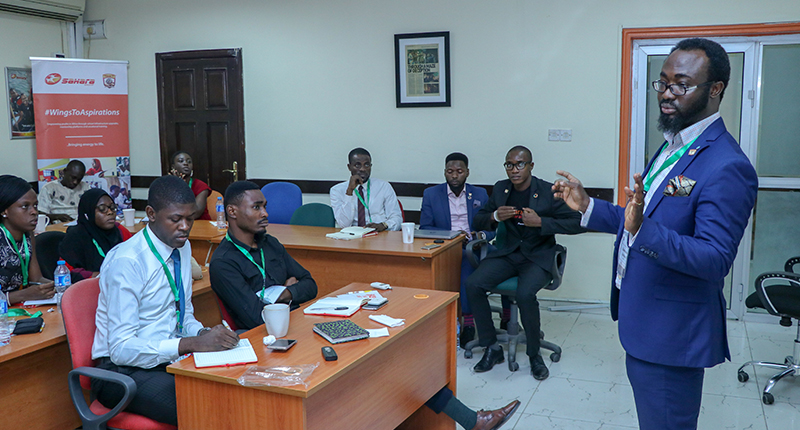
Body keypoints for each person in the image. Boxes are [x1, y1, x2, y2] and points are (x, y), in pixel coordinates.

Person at [552, 38, 758, 430]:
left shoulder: (726, 165)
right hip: (645, 320)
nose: (666, 93)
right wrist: (588, 206)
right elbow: (642, 219)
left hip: (672, 334)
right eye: (662, 82)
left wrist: (643, 229)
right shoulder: (674, 147)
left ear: (715, 90)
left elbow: (714, 259)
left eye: (681, 84)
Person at [91, 175, 239, 426]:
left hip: (165, 358)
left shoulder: (182, 247)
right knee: (203, 404)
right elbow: (120, 349)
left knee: (236, 388)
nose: (185, 226)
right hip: (119, 371)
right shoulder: (128, 262)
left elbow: (184, 314)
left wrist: (203, 333)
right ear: (150, 213)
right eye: (175, 219)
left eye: (190, 218)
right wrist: (191, 343)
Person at [466, 145, 584, 381]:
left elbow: (577, 222)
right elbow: (478, 220)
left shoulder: (547, 191)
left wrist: (541, 221)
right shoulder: (501, 188)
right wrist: (495, 216)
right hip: (508, 253)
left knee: (525, 294)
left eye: (520, 164)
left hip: (537, 256)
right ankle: (492, 348)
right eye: (509, 164)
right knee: (473, 285)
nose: (514, 169)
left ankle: (534, 355)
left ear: (531, 166)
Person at [419, 152, 503, 347]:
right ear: (444, 172)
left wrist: (480, 236)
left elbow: (491, 228)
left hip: (477, 245)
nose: (454, 176)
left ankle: (506, 317)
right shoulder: (431, 194)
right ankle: (468, 323)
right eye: (450, 171)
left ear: (467, 172)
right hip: (448, 248)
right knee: (466, 266)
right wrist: (453, 235)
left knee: (505, 261)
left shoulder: (480, 194)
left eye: (459, 171)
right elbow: (425, 227)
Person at [210, 181, 317, 330]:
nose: (265, 213)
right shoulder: (223, 262)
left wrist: (285, 294)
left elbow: (311, 286)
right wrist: (287, 296)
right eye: (256, 207)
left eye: (264, 206)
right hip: (263, 336)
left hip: (293, 321)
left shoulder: (270, 243)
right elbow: (256, 318)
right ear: (232, 212)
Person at [0, 175, 56, 304]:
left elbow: (36, 279)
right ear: (4, 211)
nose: (34, 212)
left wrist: (58, 287)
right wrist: (22, 295)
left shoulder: (28, 235)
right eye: (25, 206)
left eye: (35, 205)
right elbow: (27, 292)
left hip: (21, 307)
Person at [59, 189, 132, 280]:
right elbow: (65, 271)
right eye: (102, 209)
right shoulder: (75, 236)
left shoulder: (120, 231)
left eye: (112, 207)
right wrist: (100, 276)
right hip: (87, 288)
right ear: (87, 213)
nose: (110, 212)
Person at [330, 147, 402, 231]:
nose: (363, 169)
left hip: (380, 236)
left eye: (367, 165)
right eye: (357, 165)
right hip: (352, 238)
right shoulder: (337, 190)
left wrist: (384, 225)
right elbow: (344, 224)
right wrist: (349, 192)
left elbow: (397, 219)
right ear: (349, 167)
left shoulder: (384, 186)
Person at [169, 151, 212, 220]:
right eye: (181, 161)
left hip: (200, 225)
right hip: (176, 224)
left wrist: (183, 188)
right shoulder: (168, 185)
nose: (186, 163)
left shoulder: (201, 186)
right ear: (173, 167)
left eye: (189, 162)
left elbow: (196, 213)